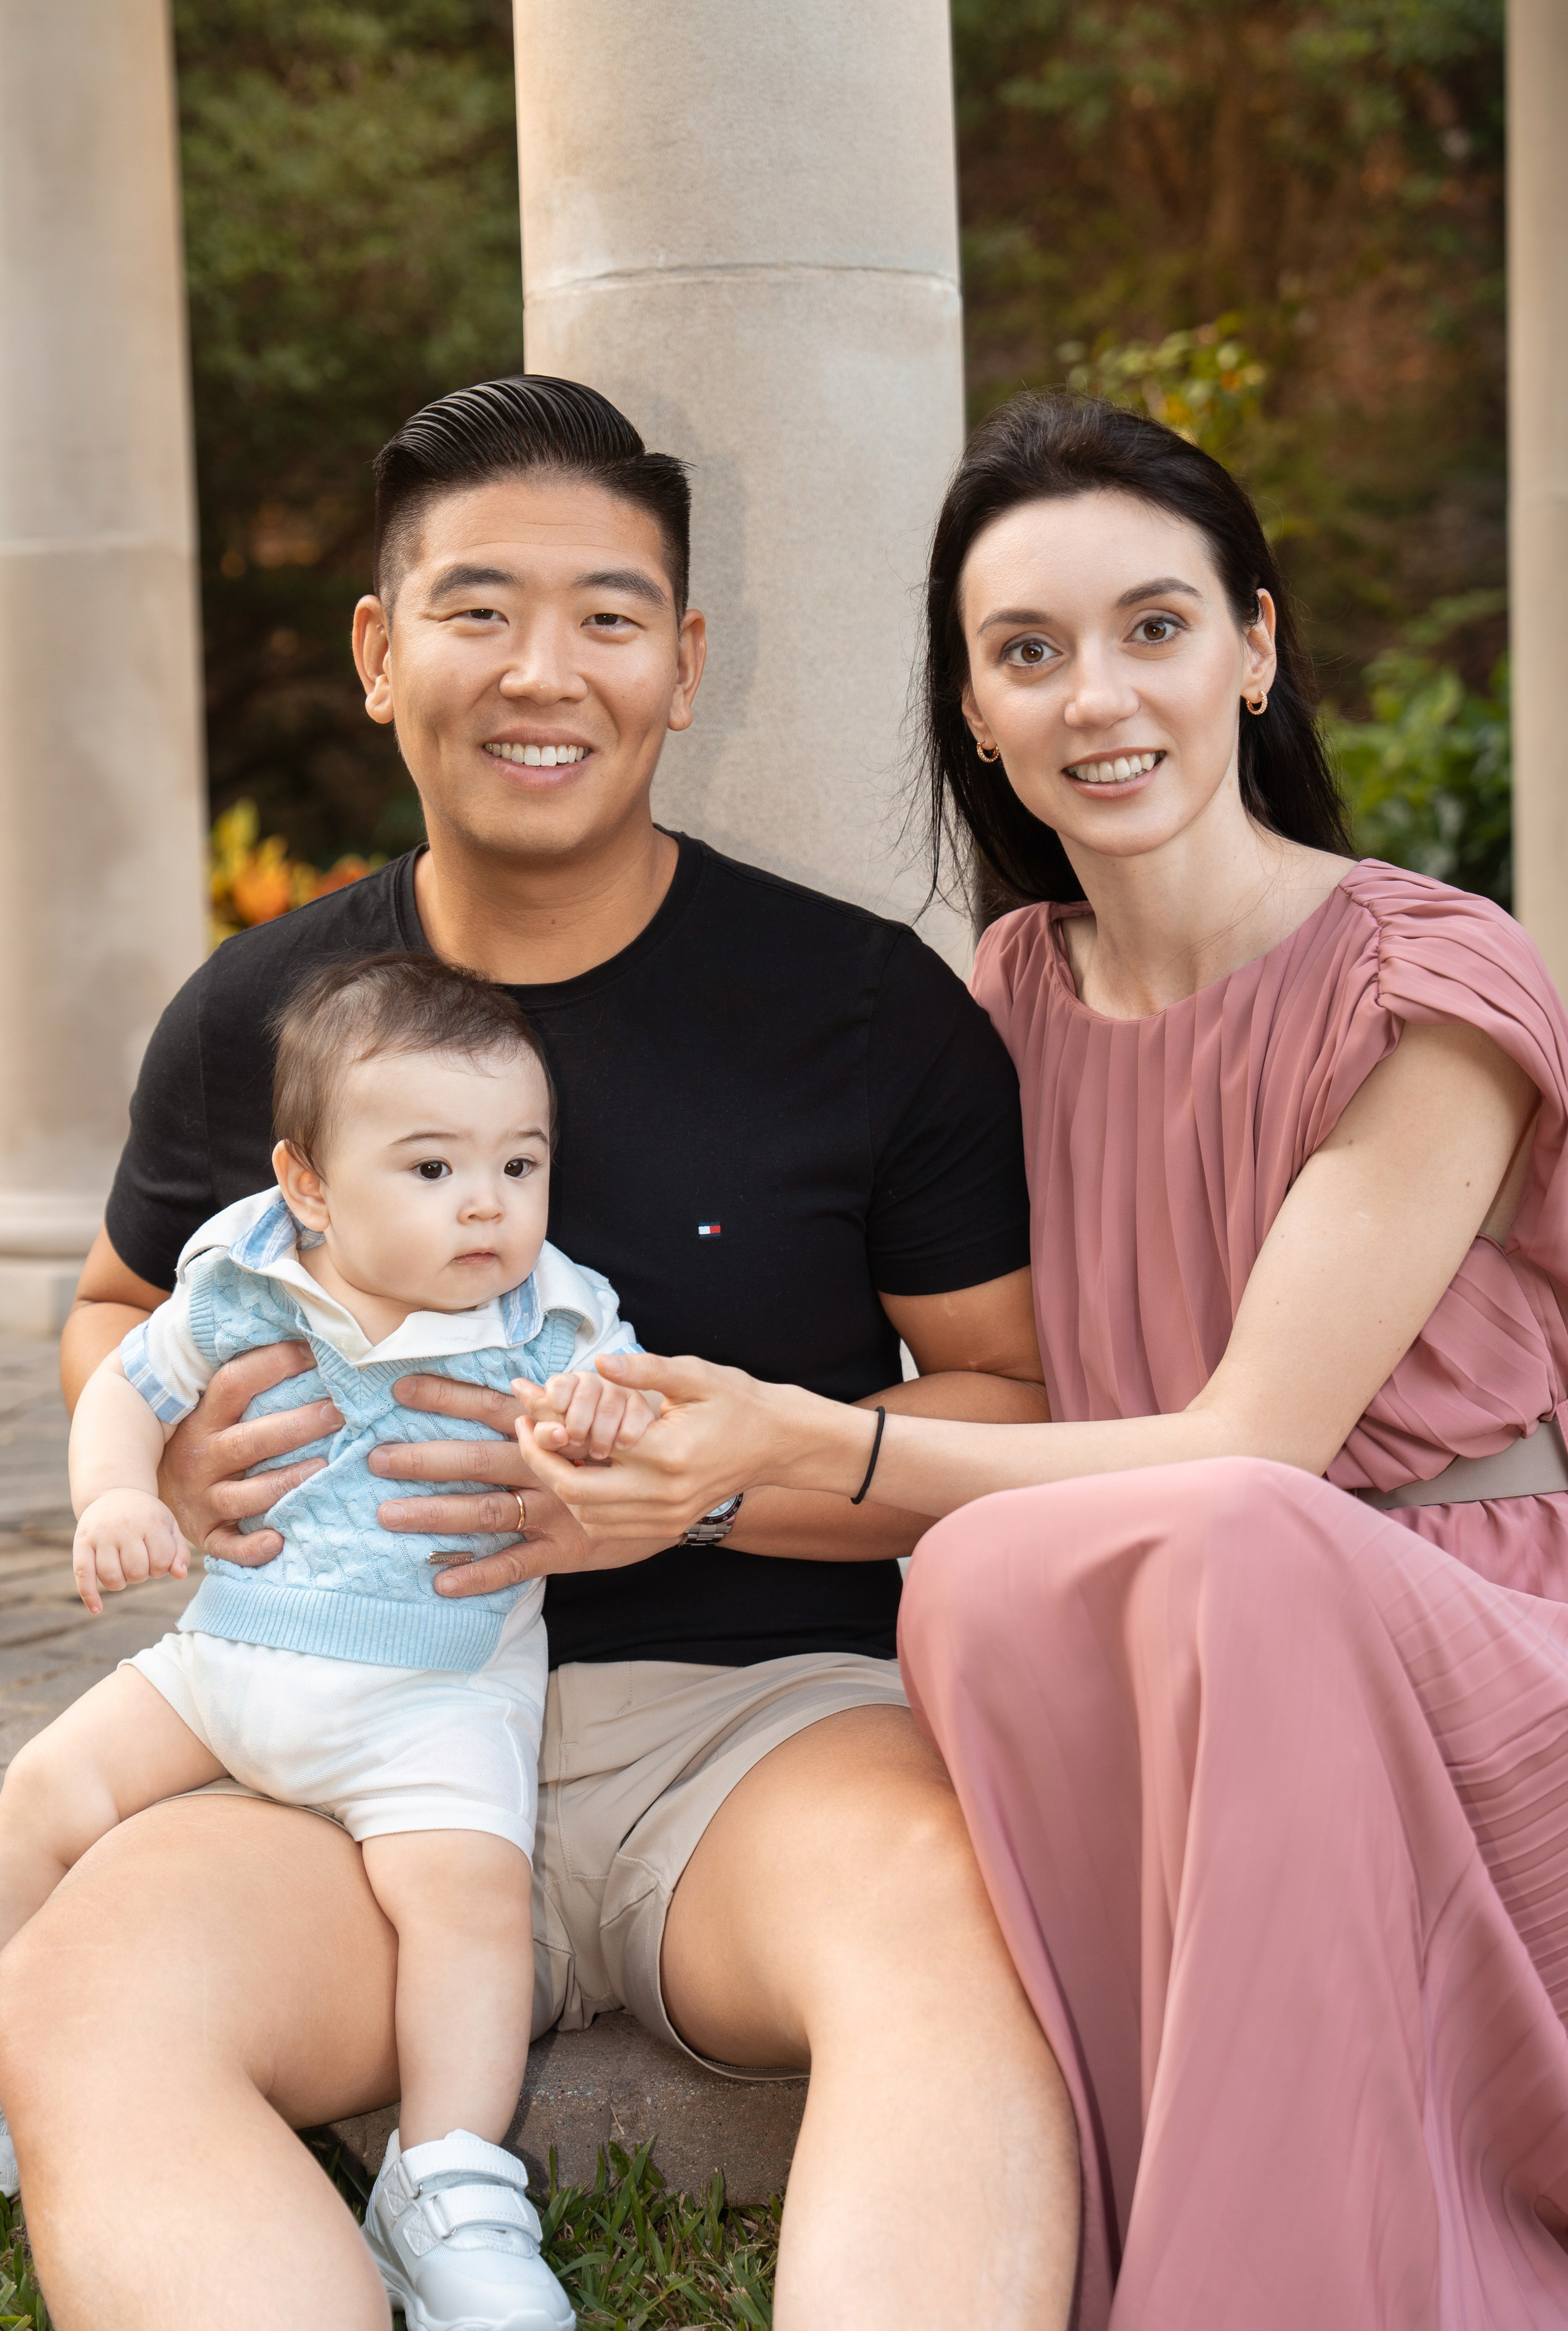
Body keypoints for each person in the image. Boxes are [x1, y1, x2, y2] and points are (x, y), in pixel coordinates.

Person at [0, 376, 1080, 2331]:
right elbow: (112, 1316)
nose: (538, 670)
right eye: (476, 609)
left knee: (959, 1932)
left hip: (750, 1736)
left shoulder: (859, 1008)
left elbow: (1013, 1393)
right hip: (327, 1744)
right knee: (83, 1984)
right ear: (381, 654)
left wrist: (736, 1472)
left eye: (606, 614)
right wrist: (151, 1453)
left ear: (684, 663)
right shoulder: (263, 1015)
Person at [506, 392, 1568, 2329]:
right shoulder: (1004, 1001)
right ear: (976, 712)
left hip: (1464, 1648)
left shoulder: (1435, 983)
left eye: (1156, 627)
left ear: (1256, 647)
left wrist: (798, 1448)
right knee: (994, 1574)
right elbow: (1002, 1425)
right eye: (1029, 652)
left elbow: (1254, 1446)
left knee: (1221, 1534)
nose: (1101, 697)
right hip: (1156, 1678)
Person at [0, 950, 664, 2331]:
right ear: (308, 1185)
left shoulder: (555, 1322)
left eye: (518, 1166)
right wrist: (116, 1488)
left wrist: (606, 1426)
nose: (486, 1204)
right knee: (46, 1791)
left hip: (431, 1697)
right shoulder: (247, 1278)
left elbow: (639, 1425)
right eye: (430, 1170)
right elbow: (127, 1380)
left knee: (464, 1906)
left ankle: (449, 2181)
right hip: (231, 1660)